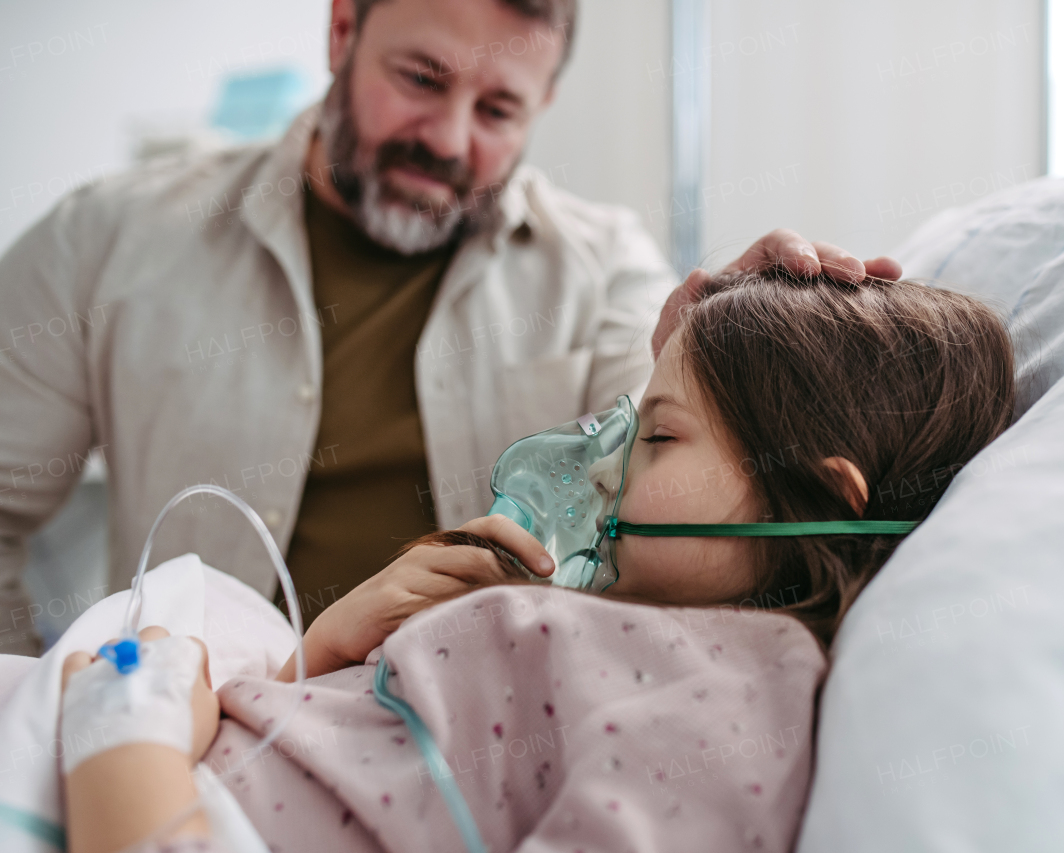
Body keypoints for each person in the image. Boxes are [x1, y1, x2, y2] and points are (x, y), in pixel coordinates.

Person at [0, 0, 901, 654]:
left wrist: (710, 362)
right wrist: (51, 720)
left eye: (498, 110)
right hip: (163, 745)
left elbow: (649, 493)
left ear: (541, 106)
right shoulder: (107, 240)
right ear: (341, 32)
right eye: (420, 79)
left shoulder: (603, 270)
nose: (448, 136)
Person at [58, 266, 1015, 852]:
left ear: (815, 494)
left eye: (660, 437)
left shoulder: (733, 700)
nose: (600, 466)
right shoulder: (627, 627)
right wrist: (325, 649)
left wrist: (124, 746)